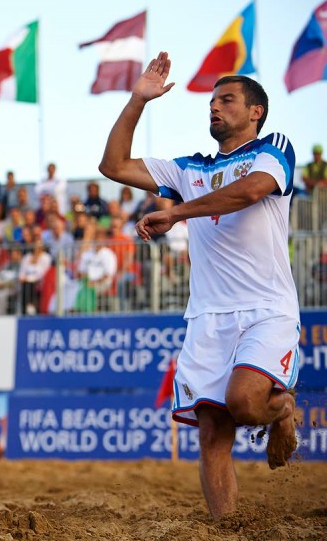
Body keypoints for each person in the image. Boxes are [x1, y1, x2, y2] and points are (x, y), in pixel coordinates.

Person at [99, 51, 300, 520]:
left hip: (267, 309)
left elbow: (249, 192)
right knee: (212, 432)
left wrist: (174, 211)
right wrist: (138, 101)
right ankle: (226, 530)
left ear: (256, 112)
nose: (214, 107)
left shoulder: (274, 148)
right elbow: (113, 165)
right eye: (211, 101)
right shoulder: (188, 168)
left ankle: (283, 409)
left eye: (226, 100)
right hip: (207, 317)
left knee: (246, 403)